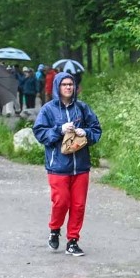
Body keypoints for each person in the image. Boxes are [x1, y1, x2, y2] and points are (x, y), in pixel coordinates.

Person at [33, 72, 103, 256]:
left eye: (70, 84)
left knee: (78, 205)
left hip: (81, 165)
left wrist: (85, 132)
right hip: (57, 166)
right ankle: (54, 230)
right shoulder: (48, 110)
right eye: (64, 84)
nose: (68, 87)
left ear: (75, 87)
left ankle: (73, 240)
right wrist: (59, 130)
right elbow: (40, 133)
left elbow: (96, 130)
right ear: (57, 87)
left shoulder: (82, 108)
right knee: (61, 202)